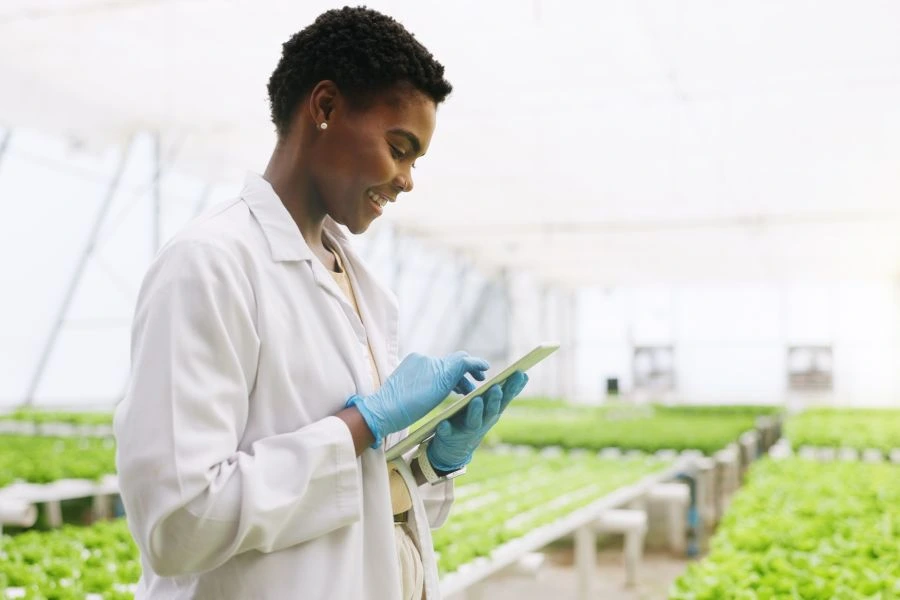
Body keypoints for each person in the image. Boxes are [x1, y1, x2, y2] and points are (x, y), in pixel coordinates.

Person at [113, 7, 528, 600]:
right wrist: (362, 424)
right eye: (399, 147)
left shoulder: (358, 284)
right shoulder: (209, 265)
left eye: (416, 160)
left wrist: (432, 463)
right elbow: (180, 523)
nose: (408, 179)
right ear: (326, 108)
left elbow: (352, 508)